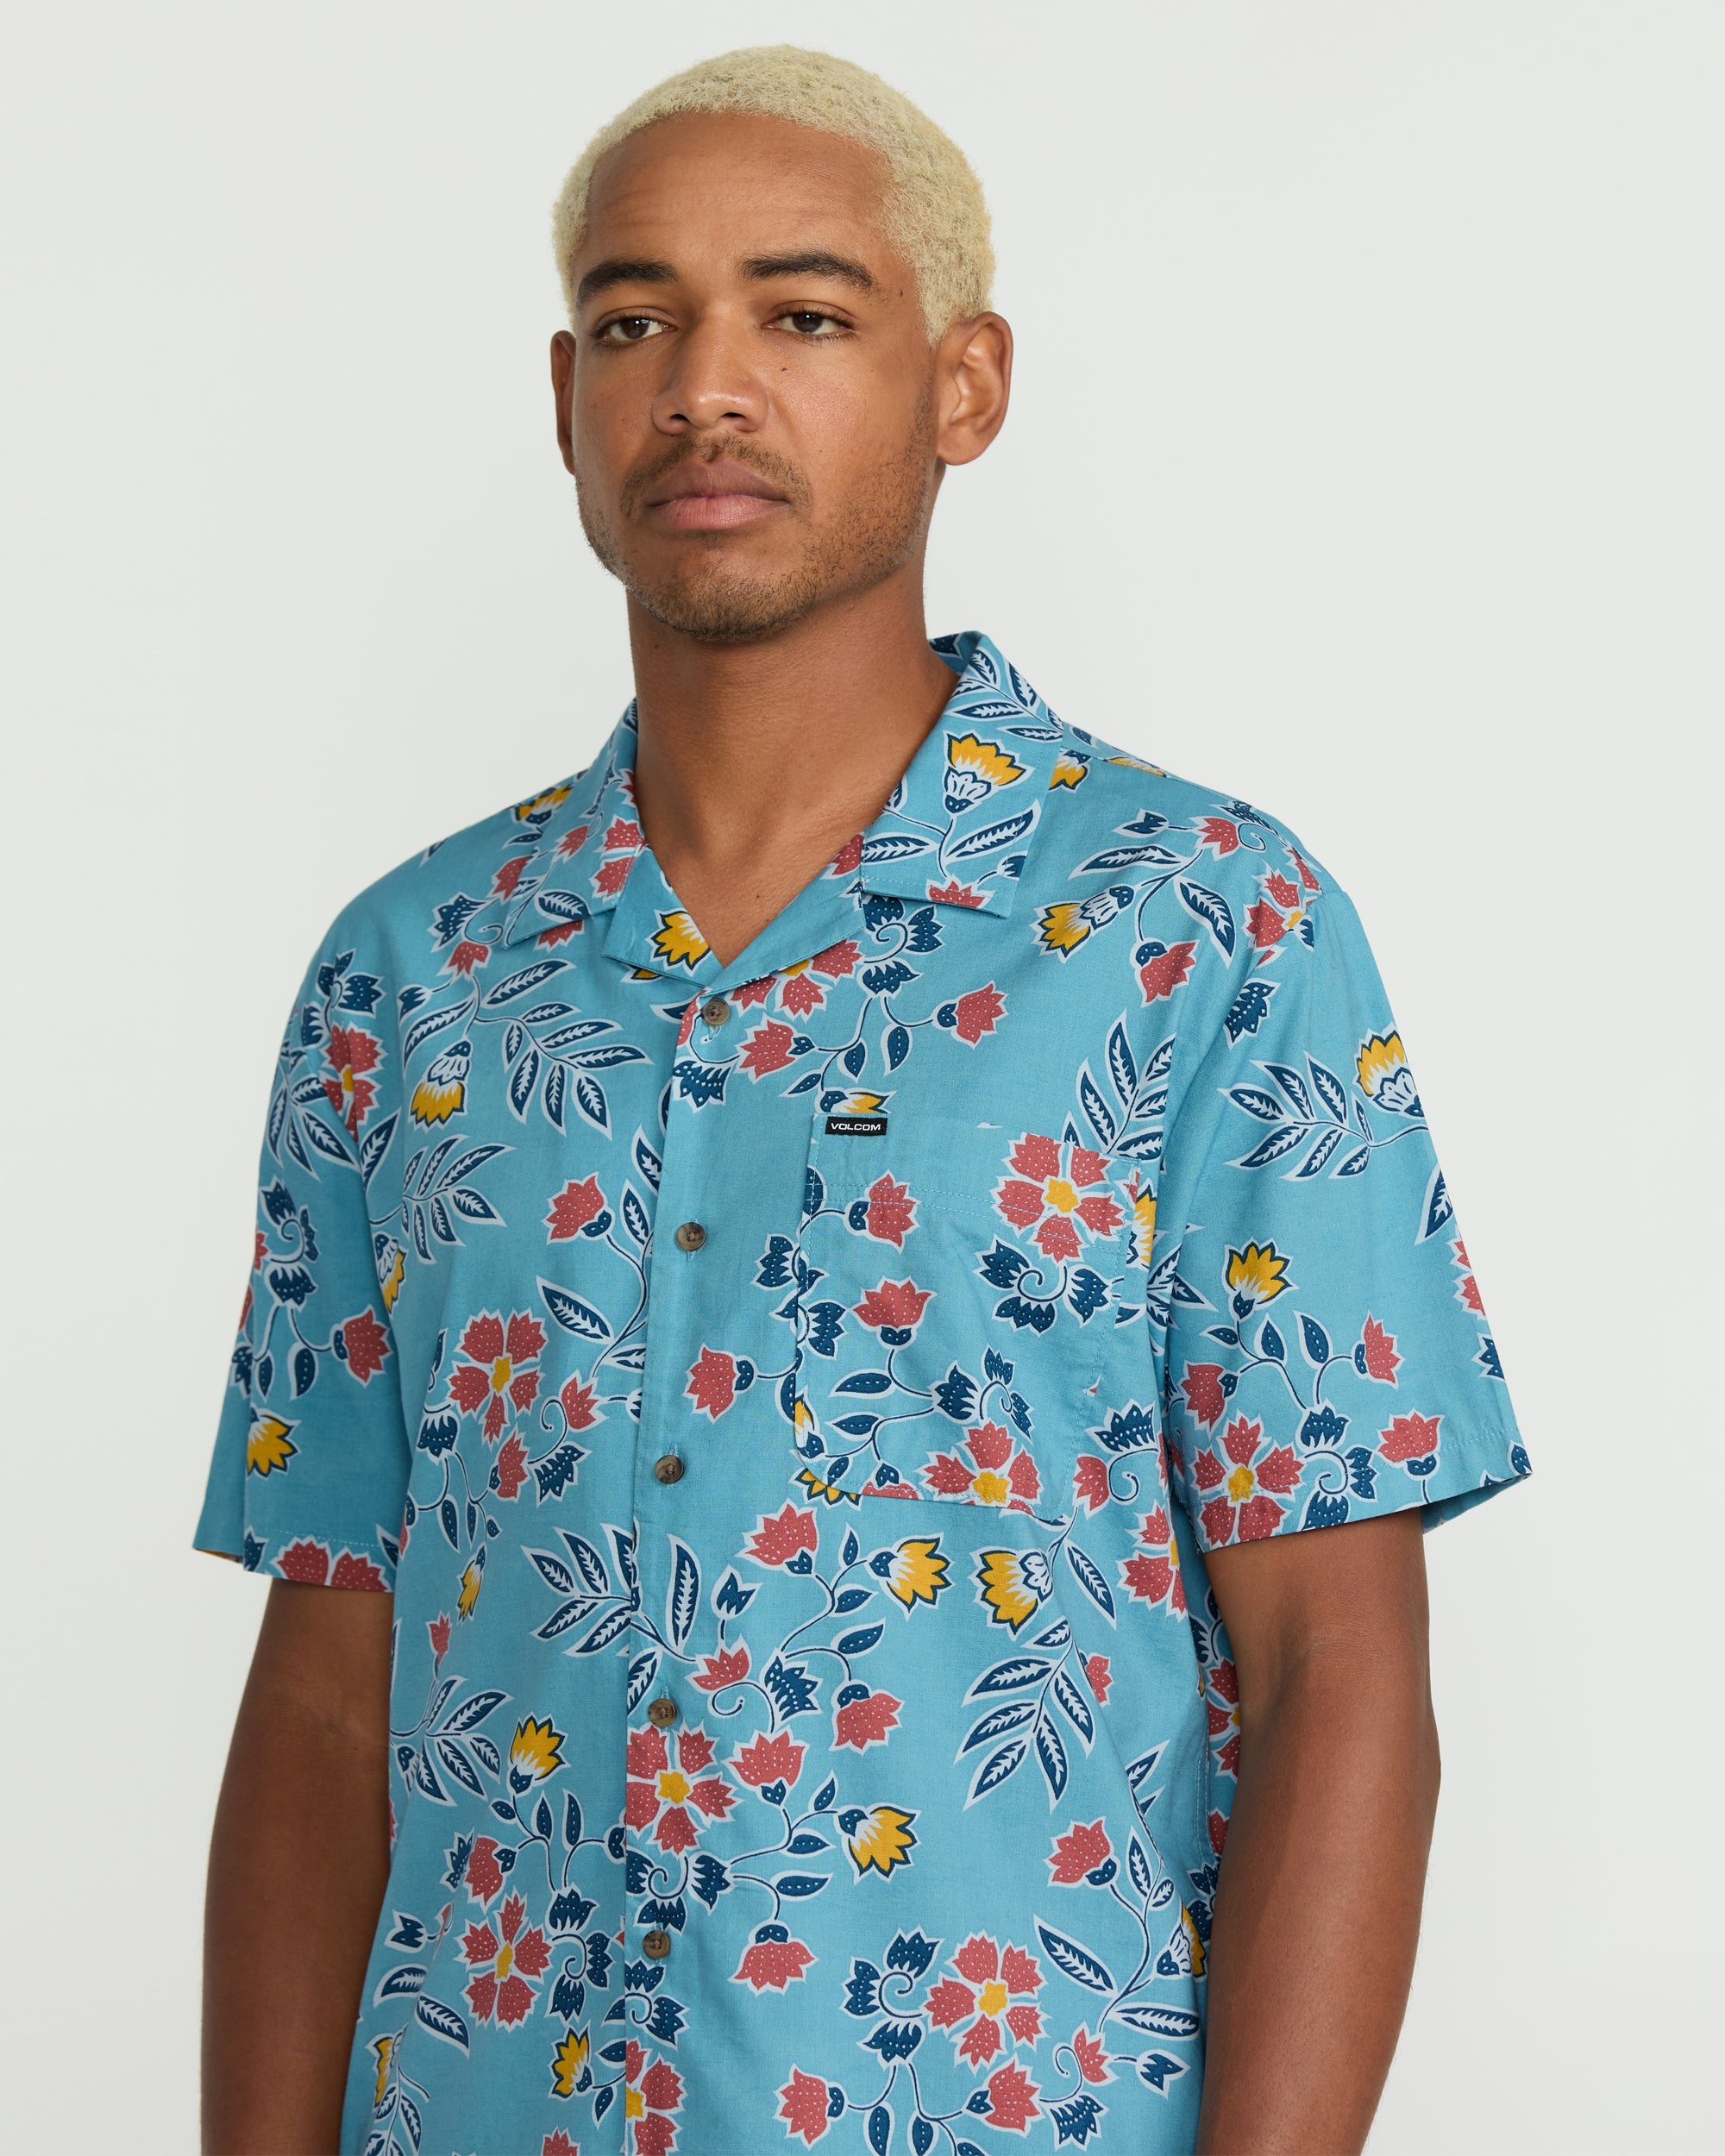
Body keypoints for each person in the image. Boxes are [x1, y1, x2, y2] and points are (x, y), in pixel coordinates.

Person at [197, 45, 1528, 2156]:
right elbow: (325, 1688)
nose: (703, 387)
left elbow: (1340, 1674)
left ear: (962, 385)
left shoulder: (1201, 930)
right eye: (634, 322)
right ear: (564, 398)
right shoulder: (412, 976)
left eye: (804, 314)